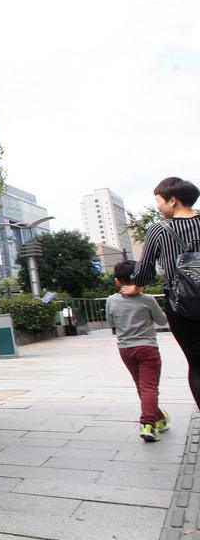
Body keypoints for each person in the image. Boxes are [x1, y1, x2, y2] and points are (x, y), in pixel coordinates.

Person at [126, 177, 200, 408]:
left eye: (158, 201)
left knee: (197, 364)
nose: (158, 206)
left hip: (182, 304)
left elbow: (145, 268)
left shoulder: (159, 229)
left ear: (173, 200)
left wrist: (136, 286)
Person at [109, 260, 169, 442]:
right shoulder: (148, 300)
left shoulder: (111, 300)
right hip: (147, 348)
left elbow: (111, 322)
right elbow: (162, 321)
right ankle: (147, 424)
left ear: (117, 281)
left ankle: (159, 418)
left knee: (142, 387)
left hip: (125, 349)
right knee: (149, 387)